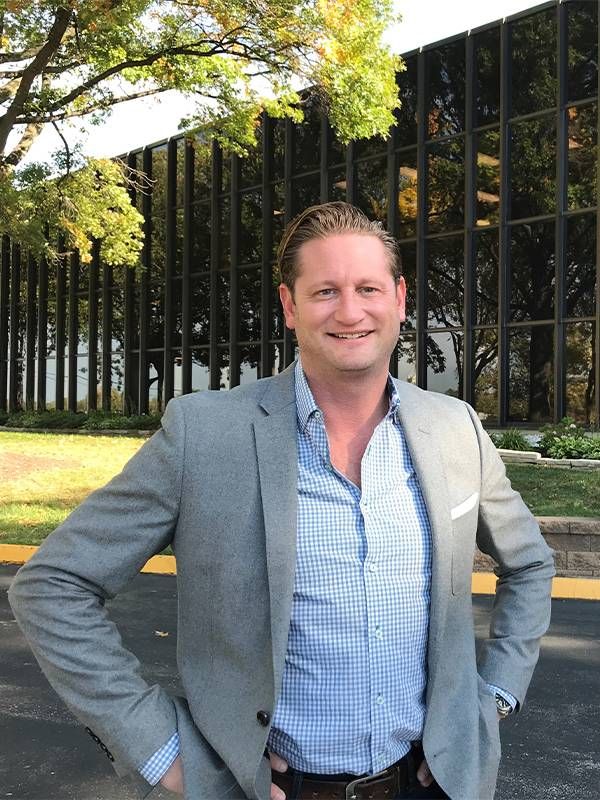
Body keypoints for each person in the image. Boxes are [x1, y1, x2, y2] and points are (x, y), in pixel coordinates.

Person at [9, 202, 555, 800]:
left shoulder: (456, 428)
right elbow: (53, 586)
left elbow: (529, 563)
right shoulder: (204, 434)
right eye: (324, 291)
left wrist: (493, 698)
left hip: (435, 783)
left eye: (368, 288)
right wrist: (160, 748)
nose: (350, 311)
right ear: (291, 307)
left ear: (399, 299)